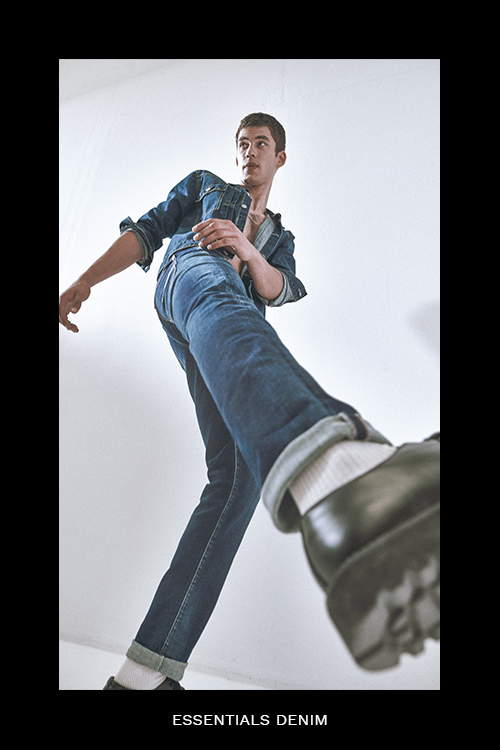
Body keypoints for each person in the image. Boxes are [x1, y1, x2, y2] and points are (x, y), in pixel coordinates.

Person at [59, 113, 440, 690]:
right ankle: (337, 472)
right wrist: (85, 280)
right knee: (219, 288)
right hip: (191, 276)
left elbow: (278, 288)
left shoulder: (281, 239)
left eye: (261, 144)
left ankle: (144, 674)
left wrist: (248, 248)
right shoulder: (207, 185)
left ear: (279, 157)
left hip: (229, 328)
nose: (250, 153)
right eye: (243, 144)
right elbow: (147, 232)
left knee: (237, 480)